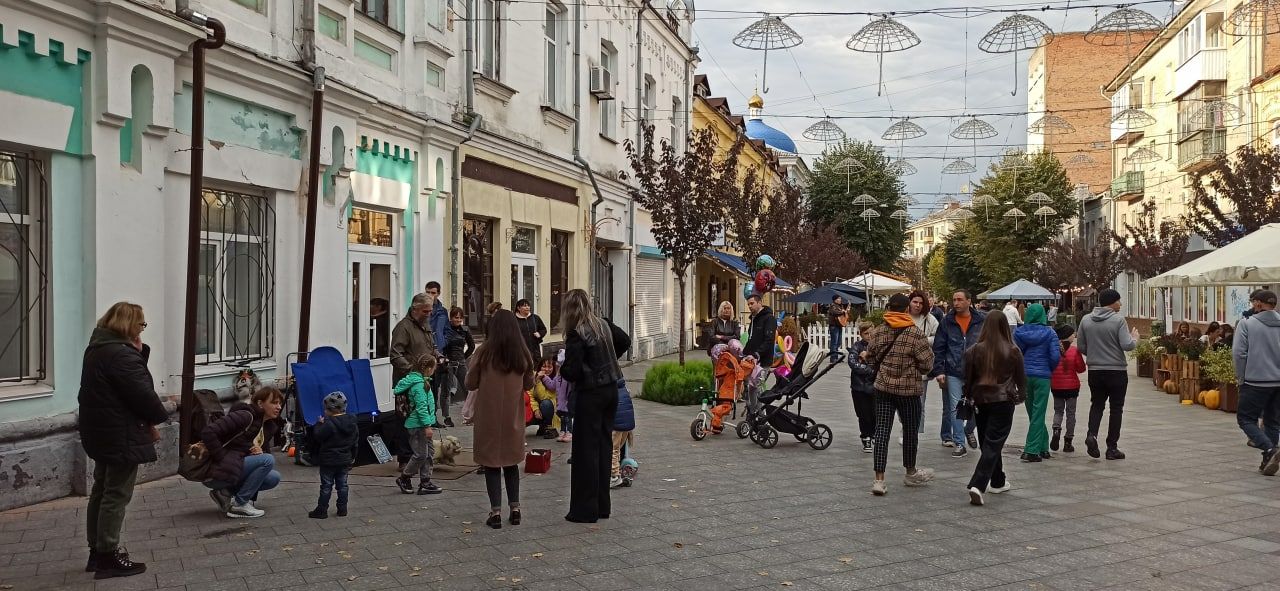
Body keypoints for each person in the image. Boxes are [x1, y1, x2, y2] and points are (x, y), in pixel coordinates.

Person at [78, 302, 168, 579]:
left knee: (102, 489)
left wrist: (139, 351)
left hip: (101, 431)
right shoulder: (121, 355)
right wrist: (159, 415)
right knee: (116, 493)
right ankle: (107, 555)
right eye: (140, 324)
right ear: (129, 326)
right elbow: (142, 394)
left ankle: (97, 552)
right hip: (121, 433)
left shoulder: (97, 350)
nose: (142, 329)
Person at [560, 289, 631, 523]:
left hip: (590, 394)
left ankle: (584, 510)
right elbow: (625, 341)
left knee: (585, 452)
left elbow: (570, 371)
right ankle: (602, 505)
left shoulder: (577, 334)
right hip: (611, 389)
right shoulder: (603, 324)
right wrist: (607, 361)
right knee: (602, 445)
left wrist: (566, 366)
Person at [466, 309, 536, 528]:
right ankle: (515, 508)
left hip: (489, 417)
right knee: (511, 463)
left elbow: (470, 383)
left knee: (492, 464)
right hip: (513, 417)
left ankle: (495, 512)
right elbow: (529, 384)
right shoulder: (522, 353)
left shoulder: (484, 353)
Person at [866, 294, 936, 496]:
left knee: (881, 432)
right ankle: (910, 472)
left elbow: (870, 357)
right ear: (906, 310)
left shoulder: (879, 331)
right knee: (910, 431)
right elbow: (928, 364)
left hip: (883, 389)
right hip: (909, 391)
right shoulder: (915, 333)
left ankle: (879, 479)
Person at [961, 313, 1026, 506]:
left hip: (981, 400)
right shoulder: (1013, 350)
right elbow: (1021, 379)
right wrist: (1021, 396)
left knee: (988, 442)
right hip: (1003, 399)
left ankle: (998, 480)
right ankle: (978, 484)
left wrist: (969, 396)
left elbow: (968, 378)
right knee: (994, 442)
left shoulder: (974, 350)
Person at [202, 387, 286, 519]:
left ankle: (225, 493)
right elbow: (208, 432)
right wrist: (221, 457)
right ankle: (240, 504)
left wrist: (260, 451)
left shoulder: (268, 427)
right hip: (216, 472)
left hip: (233, 471)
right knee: (268, 460)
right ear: (260, 403)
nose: (279, 407)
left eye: (280, 403)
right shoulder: (245, 416)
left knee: (273, 478)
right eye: (274, 403)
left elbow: (248, 452)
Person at [1076, 288, 1139, 460]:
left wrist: (1095, 354)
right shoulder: (1118, 320)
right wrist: (1135, 338)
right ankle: (1112, 448)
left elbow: (1081, 346)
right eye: (1119, 301)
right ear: (1112, 302)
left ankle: (1092, 434)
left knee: (1097, 404)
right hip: (1116, 371)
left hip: (1095, 371)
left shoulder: (1086, 320)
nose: (1121, 304)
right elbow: (1127, 345)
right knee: (1116, 408)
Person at [1232, 289, 1280, 476]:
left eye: (1253, 303)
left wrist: (1241, 377)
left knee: (1245, 418)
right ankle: (1268, 460)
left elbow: (1239, 353)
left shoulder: (1247, 324)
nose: (1252, 306)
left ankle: (1269, 449)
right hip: (1278, 381)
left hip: (1256, 380)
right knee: (1272, 421)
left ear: (1259, 304)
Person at [932, 290, 984, 456]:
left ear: (969, 301)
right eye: (954, 300)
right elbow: (939, 347)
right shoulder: (947, 321)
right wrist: (939, 370)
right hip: (954, 369)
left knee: (978, 405)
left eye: (960, 299)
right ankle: (960, 443)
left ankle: (969, 430)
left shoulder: (981, 320)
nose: (956, 303)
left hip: (976, 371)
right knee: (956, 407)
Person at [389, 293, 438, 466]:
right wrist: (413, 371)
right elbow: (395, 354)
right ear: (415, 309)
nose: (429, 314)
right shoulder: (403, 327)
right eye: (425, 311)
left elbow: (430, 347)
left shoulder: (425, 325)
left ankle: (419, 456)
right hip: (407, 383)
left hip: (423, 380)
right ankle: (404, 459)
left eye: (430, 311)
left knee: (421, 418)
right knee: (406, 421)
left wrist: (437, 357)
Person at [1015, 303, 1060, 462]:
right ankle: (1031, 450)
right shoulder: (1050, 333)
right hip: (1042, 376)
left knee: (1033, 413)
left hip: (1024, 375)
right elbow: (1055, 356)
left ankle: (1043, 447)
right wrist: (1048, 368)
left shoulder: (1018, 333)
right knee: (1038, 412)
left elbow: (1016, 354)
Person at [395, 354, 442, 495]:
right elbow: (422, 407)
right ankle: (404, 477)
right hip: (418, 425)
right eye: (434, 367)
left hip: (421, 423)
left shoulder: (422, 381)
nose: (435, 370)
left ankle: (425, 481)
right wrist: (427, 425)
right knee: (421, 454)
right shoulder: (419, 385)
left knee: (429, 453)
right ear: (428, 368)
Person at [308, 392, 360, 519]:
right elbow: (355, 442)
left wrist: (319, 424)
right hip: (344, 459)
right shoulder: (352, 423)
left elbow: (318, 436)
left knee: (326, 486)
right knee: (343, 485)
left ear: (331, 410)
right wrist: (353, 457)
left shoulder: (329, 423)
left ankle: (322, 510)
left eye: (325, 409)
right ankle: (342, 509)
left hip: (328, 460)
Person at [1050, 326, 1086, 454]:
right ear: (1068, 336)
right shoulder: (1074, 350)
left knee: (1058, 411)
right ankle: (1068, 442)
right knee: (1071, 414)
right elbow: (1081, 368)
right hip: (1072, 388)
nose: (1074, 336)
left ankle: (1056, 430)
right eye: (1073, 334)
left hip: (1056, 386)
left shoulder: (1053, 349)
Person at [908, 291, 938, 440]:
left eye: (920, 303)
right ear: (910, 302)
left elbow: (938, 337)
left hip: (921, 367)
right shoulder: (903, 317)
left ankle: (914, 433)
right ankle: (905, 427)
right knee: (903, 401)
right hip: (903, 366)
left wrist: (924, 340)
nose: (918, 305)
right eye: (915, 302)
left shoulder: (930, 319)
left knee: (920, 402)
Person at [440, 307, 475, 428]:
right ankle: (446, 417)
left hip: (460, 362)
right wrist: (443, 358)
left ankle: (469, 416)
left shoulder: (465, 330)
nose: (458, 320)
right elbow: (441, 345)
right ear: (451, 317)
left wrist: (464, 357)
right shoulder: (445, 329)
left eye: (460, 318)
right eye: (456, 317)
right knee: (446, 390)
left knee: (468, 388)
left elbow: (472, 346)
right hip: (448, 363)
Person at [847, 322, 877, 453]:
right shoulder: (856, 346)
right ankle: (866, 436)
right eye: (866, 333)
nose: (869, 336)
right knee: (863, 414)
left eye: (871, 332)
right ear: (861, 334)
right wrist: (870, 370)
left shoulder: (878, 346)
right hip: (859, 386)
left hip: (875, 386)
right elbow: (852, 363)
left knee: (875, 413)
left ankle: (874, 434)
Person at [610, 379, 636, 488]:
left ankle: (614, 476)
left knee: (612, 449)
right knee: (617, 449)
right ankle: (617, 472)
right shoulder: (623, 388)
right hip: (626, 424)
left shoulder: (611, 390)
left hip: (617, 423)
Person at [545, 350, 574, 443]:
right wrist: (544, 378)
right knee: (562, 418)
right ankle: (562, 432)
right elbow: (552, 386)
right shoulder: (558, 376)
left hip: (568, 401)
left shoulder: (570, 375)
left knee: (568, 418)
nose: (557, 366)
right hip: (560, 402)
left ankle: (569, 432)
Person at [743, 293, 777, 366]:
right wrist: (744, 352)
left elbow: (769, 340)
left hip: (763, 361)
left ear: (760, 302)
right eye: (748, 304)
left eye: (752, 303)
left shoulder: (769, 318)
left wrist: (756, 354)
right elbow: (751, 338)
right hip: (751, 359)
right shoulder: (753, 318)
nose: (749, 306)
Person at [531, 357, 560, 438]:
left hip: (550, 408)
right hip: (536, 407)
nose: (546, 369)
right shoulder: (533, 376)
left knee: (546, 403)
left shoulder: (555, 379)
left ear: (553, 368)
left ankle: (549, 428)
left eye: (549, 367)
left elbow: (543, 397)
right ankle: (542, 426)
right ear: (540, 367)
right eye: (544, 366)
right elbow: (531, 396)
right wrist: (536, 409)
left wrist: (540, 380)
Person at [514, 298, 548, 363]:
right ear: (518, 308)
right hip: (521, 350)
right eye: (524, 306)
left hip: (535, 350)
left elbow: (543, 329)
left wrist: (540, 334)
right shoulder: (514, 319)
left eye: (528, 305)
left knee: (536, 367)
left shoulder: (535, 318)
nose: (527, 307)